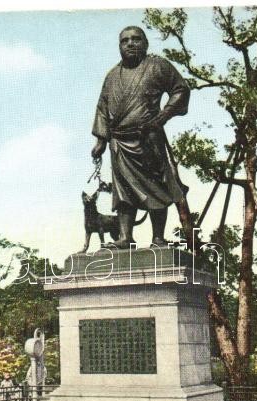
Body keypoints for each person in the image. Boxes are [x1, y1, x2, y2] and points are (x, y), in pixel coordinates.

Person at [91, 26, 190, 248]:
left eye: (136, 39)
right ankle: (126, 237)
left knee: (156, 187)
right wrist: (101, 140)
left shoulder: (158, 66)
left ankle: (158, 237)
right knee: (123, 191)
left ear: (145, 43)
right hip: (119, 142)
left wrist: (163, 116)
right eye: (125, 40)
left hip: (148, 139)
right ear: (119, 46)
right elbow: (102, 108)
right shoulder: (112, 76)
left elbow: (180, 89)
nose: (130, 43)